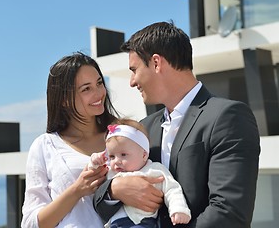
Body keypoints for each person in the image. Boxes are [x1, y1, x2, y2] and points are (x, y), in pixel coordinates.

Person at [93, 21, 261, 228]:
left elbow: (228, 212)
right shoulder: (144, 128)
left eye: (134, 70)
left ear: (156, 63)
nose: (132, 81)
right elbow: (100, 200)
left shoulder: (228, 116)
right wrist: (115, 188)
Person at [21, 52, 120, 228]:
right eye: (86, 89)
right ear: (64, 99)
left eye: (99, 83)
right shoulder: (45, 146)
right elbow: (31, 224)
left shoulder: (121, 133)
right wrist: (77, 190)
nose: (99, 93)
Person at [89, 118, 191, 228]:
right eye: (112, 156)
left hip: (141, 222)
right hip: (114, 224)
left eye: (123, 155)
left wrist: (178, 209)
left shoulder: (154, 170)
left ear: (144, 155)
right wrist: (95, 162)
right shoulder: (112, 172)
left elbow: (172, 189)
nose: (116, 161)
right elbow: (94, 176)